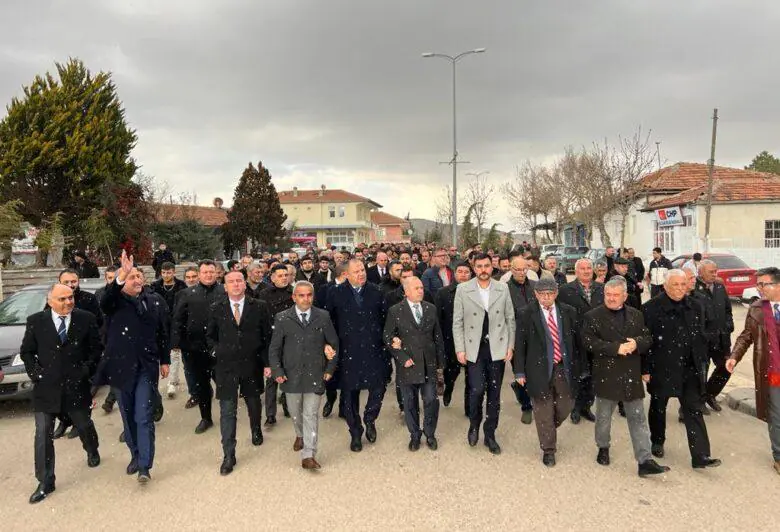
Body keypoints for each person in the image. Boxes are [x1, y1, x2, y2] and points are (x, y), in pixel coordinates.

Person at [20, 283, 102, 504]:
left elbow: (96, 350)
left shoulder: (85, 318)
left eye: (70, 298)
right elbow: (27, 352)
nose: (68, 302)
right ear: (50, 301)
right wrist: (37, 373)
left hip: (76, 386)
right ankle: (46, 481)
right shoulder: (36, 321)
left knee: (84, 425)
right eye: (62, 299)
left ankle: (92, 449)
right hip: (46, 388)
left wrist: (85, 370)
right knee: (43, 435)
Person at [582, 278, 670, 477]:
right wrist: (615, 348)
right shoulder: (592, 316)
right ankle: (603, 447)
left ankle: (644, 460)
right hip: (606, 373)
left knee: (638, 418)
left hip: (630, 373)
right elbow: (588, 342)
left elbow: (648, 339)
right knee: (604, 417)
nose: (611, 298)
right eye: (608, 295)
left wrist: (636, 343)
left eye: (615, 295)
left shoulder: (636, 315)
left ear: (624, 296)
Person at [99, 250, 171, 483]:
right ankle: (135, 454)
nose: (137, 280)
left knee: (143, 416)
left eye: (139, 276)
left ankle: (144, 466)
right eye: (132, 277)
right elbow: (105, 300)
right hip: (121, 368)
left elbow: (162, 333)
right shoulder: (114, 302)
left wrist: (165, 359)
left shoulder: (154, 301)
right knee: (128, 416)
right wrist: (122, 274)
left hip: (146, 368)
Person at [642, 269, 721, 469]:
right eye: (675, 285)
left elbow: (701, 334)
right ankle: (657, 440)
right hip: (661, 367)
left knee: (693, 409)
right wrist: (645, 369)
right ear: (666, 286)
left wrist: (703, 358)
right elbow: (644, 342)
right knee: (658, 407)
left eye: (683, 284)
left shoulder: (696, 306)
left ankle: (700, 456)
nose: (679, 289)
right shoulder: (650, 308)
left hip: (689, 368)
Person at [206, 270, 272, 476]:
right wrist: (217, 351)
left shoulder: (259, 307)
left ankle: (255, 429)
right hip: (225, 367)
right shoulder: (216, 308)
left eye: (239, 281)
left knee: (253, 401)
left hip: (251, 363)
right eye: (231, 282)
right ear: (224, 286)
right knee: (227, 410)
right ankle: (228, 454)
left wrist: (267, 363)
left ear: (245, 284)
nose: (235, 284)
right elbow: (209, 336)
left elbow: (267, 336)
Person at [269, 281, 339, 469]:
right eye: (301, 295)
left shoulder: (323, 316)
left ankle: (308, 454)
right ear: (294, 297)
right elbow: (274, 348)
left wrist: (329, 369)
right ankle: (299, 434)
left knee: (310, 415)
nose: (305, 299)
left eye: (309, 295)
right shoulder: (282, 318)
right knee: (294, 412)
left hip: (315, 374)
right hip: (290, 376)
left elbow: (334, 343)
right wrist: (277, 370)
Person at [453, 253, 515, 455]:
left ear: (492, 267)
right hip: (474, 348)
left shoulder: (502, 288)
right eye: (479, 266)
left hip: (496, 347)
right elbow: (458, 322)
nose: (483, 270)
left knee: (494, 394)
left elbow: (510, 319)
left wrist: (510, 345)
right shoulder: (463, 289)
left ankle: (490, 434)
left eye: (486, 266)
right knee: (477, 389)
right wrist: (460, 348)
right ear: (474, 267)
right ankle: (474, 424)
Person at [513, 278, 579, 467]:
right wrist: (519, 372)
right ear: (536, 294)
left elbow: (575, 341)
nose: (546, 297)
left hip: (562, 366)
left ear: (556, 294)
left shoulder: (568, 312)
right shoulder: (526, 313)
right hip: (537, 368)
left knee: (566, 404)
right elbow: (520, 344)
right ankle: (548, 449)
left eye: (550, 293)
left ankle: (548, 426)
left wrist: (580, 367)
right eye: (542, 294)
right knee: (543, 408)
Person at [326, 259, 388, 452]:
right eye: (356, 271)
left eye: (362, 270)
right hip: (347, 351)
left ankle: (370, 418)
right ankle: (355, 431)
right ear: (346, 275)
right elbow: (329, 322)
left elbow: (386, 319)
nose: (361, 274)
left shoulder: (377, 291)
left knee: (378, 387)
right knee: (349, 394)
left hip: (374, 349)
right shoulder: (335, 293)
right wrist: (328, 345)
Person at [727, 266, 780, 476]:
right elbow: (746, 336)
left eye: (763, 284)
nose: (759, 288)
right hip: (772, 371)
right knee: (776, 414)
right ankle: (778, 456)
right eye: (758, 284)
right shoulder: (757, 308)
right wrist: (734, 357)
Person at [384, 277, 445, 451]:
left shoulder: (430, 308)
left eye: (421, 287)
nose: (421, 290)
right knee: (409, 403)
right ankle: (415, 435)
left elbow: (437, 336)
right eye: (417, 288)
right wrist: (402, 357)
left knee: (431, 401)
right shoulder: (395, 311)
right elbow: (388, 337)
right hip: (408, 365)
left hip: (429, 364)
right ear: (406, 292)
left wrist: (441, 363)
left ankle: (430, 433)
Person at [49, 268, 104, 440]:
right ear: (59, 282)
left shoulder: (88, 299)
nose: (71, 285)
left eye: (74, 281)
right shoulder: (53, 299)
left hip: (82, 355)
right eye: (66, 282)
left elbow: (98, 322)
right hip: (60, 357)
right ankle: (65, 421)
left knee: (81, 393)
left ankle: (80, 424)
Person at [172, 260, 225, 434]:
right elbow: (178, 320)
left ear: (216, 273)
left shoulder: (224, 291)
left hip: (220, 347)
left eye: (212, 272)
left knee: (224, 384)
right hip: (195, 348)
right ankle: (206, 418)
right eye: (205, 272)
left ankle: (228, 416)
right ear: (199, 274)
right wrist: (176, 343)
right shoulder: (186, 294)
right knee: (202, 387)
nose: (209, 275)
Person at [557, 258, 604, 424]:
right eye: (582, 268)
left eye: (589, 268)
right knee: (577, 375)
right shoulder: (565, 291)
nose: (586, 271)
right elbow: (560, 316)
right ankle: (575, 408)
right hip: (575, 340)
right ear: (576, 272)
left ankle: (586, 406)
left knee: (593, 376)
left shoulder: (602, 289)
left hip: (597, 340)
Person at [693, 259, 734, 411]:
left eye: (715, 271)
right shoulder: (694, 290)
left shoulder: (719, 287)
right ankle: (698, 401)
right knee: (701, 372)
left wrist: (729, 325)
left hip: (722, 338)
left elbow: (728, 310)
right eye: (711, 271)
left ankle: (710, 394)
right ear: (700, 272)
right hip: (703, 340)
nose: (714, 274)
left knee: (726, 368)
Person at [259, 264, 295, 424]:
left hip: (292, 339)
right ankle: (270, 414)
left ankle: (288, 405)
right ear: (272, 277)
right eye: (280, 275)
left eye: (286, 275)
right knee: (272, 378)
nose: (284, 278)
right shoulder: (264, 294)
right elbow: (260, 318)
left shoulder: (294, 292)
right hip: (272, 339)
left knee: (290, 375)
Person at [436, 262, 473, 414]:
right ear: (455, 274)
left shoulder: (476, 292)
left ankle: (469, 407)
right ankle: (448, 388)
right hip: (450, 340)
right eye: (460, 271)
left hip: (472, 339)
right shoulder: (443, 293)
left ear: (471, 274)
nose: (463, 274)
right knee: (452, 372)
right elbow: (437, 319)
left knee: (471, 376)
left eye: (466, 272)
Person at [505, 256, 536, 424]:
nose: (522, 273)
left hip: (534, 336)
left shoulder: (535, 287)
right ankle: (526, 406)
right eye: (518, 269)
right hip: (515, 336)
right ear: (511, 269)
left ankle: (521, 389)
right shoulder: (504, 289)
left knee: (532, 371)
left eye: (525, 269)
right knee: (520, 371)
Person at [150, 262, 187, 398]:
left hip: (177, 322)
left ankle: (172, 381)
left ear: (174, 272)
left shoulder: (181, 286)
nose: (166, 275)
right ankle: (172, 378)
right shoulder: (155, 286)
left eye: (169, 272)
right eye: (164, 273)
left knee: (175, 351)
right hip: (160, 323)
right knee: (164, 350)